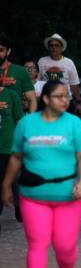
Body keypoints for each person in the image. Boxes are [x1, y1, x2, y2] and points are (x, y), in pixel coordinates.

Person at [2, 81, 81, 268]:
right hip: (33, 196)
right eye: (59, 96)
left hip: (67, 197)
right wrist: (6, 184)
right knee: (37, 243)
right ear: (45, 99)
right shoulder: (27, 124)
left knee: (65, 246)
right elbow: (16, 157)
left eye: (67, 96)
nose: (65, 100)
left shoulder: (75, 124)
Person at [0, 72, 24, 231]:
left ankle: (18, 204)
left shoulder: (11, 94)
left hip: (7, 145)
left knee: (11, 178)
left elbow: (19, 119)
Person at [38, 34, 81, 114]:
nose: (54, 47)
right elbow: (37, 81)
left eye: (57, 45)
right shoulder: (41, 61)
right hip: (47, 101)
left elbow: (74, 84)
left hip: (65, 100)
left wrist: (79, 102)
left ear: (62, 48)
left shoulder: (69, 63)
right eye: (51, 45)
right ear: (48, 47)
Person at [0, 35, 37, 112]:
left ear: (8, 51)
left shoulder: (20, 71)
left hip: (16, 121)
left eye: (1, 50)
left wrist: (30, 123)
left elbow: (32, 100)